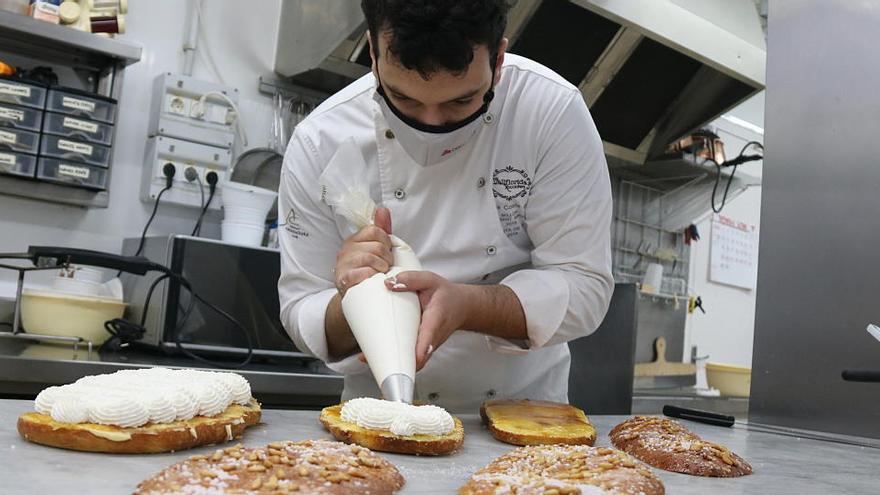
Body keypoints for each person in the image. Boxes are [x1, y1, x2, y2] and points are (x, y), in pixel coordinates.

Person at [278, 0, 613, 412]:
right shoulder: (320, 140)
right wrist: (356, 300)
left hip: (523, 418)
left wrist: (467, 305)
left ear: (499, 60)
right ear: (372, 53)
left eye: (461, 102)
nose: (431, 127)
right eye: (403, 99)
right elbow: (299, 309)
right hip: (377, 417)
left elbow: (585, 286)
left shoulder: (549, 113)